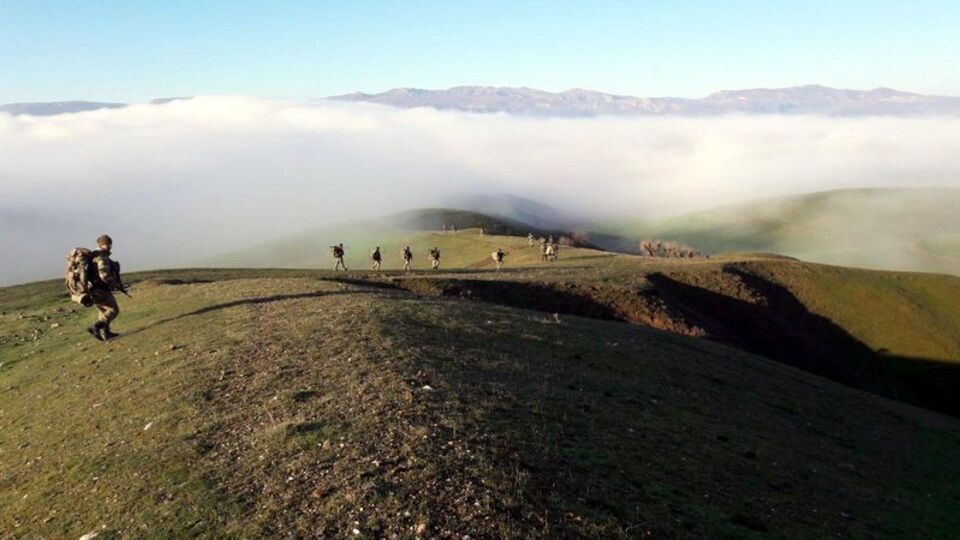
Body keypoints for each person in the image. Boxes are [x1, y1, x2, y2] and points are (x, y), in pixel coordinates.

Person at [87, 235, 124, 341]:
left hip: (91, 289)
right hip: (99, 288)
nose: (110, 247)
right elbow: (104, 275)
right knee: (113, 310)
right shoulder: (101, 256)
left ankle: (106, 333)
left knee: (104, 310)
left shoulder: (92, 256)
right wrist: (114, 284)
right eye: (109, 244)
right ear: (106, 244)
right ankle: (96, 326)